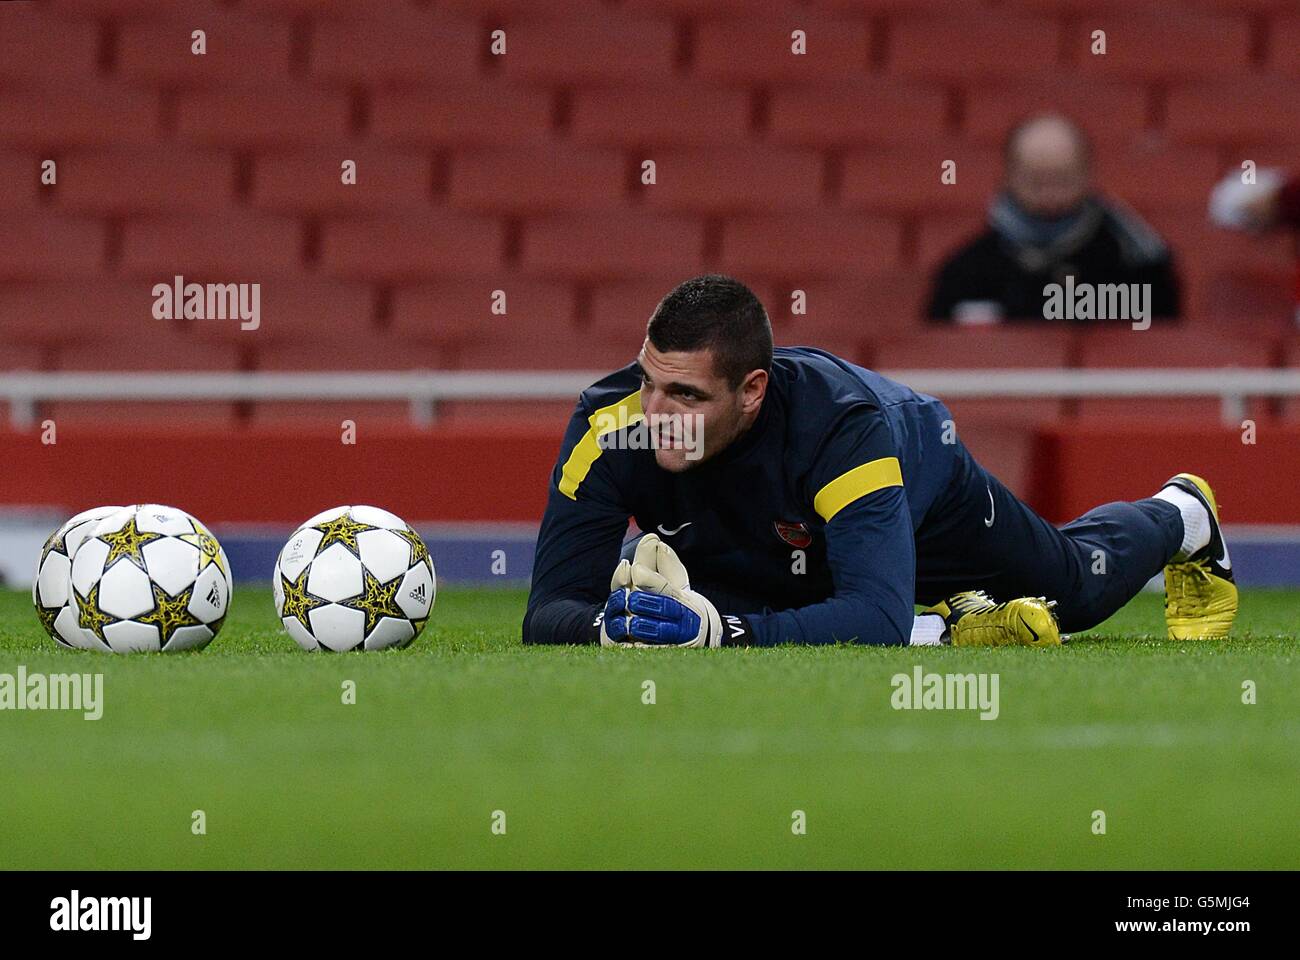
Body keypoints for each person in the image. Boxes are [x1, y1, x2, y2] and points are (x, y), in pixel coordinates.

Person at [522, 275, 1236, 648]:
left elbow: (873, 618)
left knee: (1073, 591)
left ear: (752, 391)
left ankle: (1182, 515)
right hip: (766, 541)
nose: (657, 416)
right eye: (649, 382)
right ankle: (955, 628)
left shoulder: (840, 428)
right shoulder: (611, 424)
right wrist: (613, 628)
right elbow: (549, 611)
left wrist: (722, 634)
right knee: (754, 589)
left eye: (685, 394)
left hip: (920, 485)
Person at [927, 113, 1180, 324]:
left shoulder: (1136, 259)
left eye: (1062, 179)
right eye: (1036, 181)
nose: (1049, 194)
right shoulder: (968, 269)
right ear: (1008, 176)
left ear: (1087, 174)